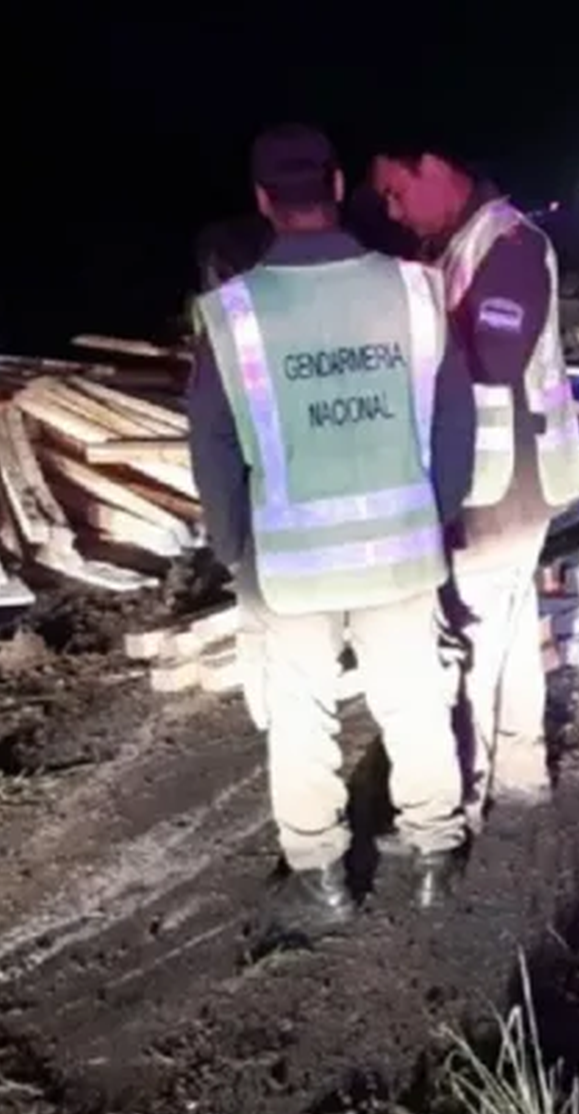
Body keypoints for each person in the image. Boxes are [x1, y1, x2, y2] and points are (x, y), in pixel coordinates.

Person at [187, 124, 476, 948]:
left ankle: (319, 876)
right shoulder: (415, 290)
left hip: (289, 560)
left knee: (301, 709)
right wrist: (437, 506)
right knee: (416, 696)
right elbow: (455, 412)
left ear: (261, 201)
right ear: (340, 184)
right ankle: (433, 856)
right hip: (399, 545)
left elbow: (209, 439)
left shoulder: (233, 313)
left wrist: (231, 542)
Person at [370, 143, 579, 827]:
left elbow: (494, 357)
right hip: (505, 482)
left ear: (433, 165)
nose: (392, 210)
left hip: (501, 487)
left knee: (470, 644)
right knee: (510, 629)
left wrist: (407, 324)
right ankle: (523, 774)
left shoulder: (511, 243)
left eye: (395, 191)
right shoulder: (463, 244)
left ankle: (461, 803)